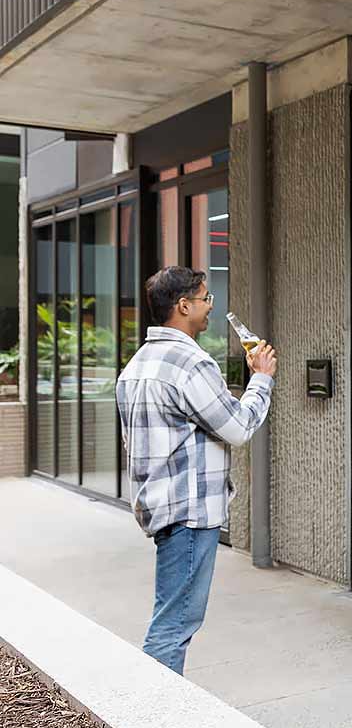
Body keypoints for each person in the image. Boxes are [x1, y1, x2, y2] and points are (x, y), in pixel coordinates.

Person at [117, 266, 277, 674]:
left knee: (172, 615)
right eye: (206, 299)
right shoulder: (191, 365)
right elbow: (239, 427)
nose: (210, 307)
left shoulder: (136, 366)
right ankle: (153, 724)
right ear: (183, 306)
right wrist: (261, 379)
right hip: (189, 511)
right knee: (174, 625)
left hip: (159, 505)